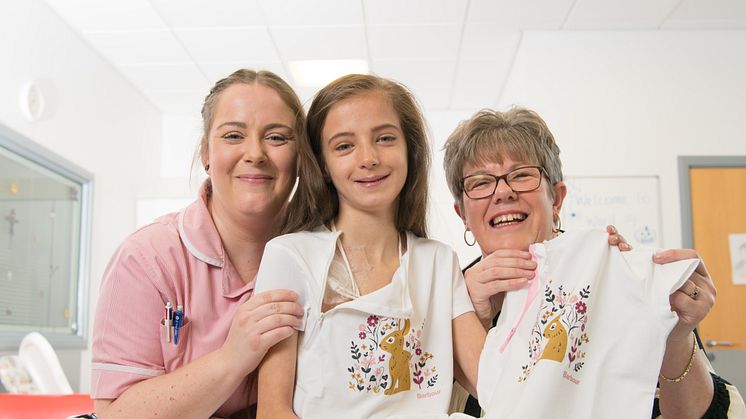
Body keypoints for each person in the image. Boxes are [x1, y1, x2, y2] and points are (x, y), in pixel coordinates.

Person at [443, 107, 745, 418]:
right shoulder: (444, 299)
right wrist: (469, 314)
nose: (503, 192)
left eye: (522, 175)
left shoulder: (613, 276)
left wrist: (678, 335)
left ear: (557, 198)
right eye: (480, 182)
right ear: (462, 214)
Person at [254, 74, 486, 419]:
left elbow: (496, 381)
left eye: (385, 138)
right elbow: (273, 411)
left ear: (411, 150)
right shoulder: (289, 256)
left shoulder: (438, 262)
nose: (369, 158)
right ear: (323, 166)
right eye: (344, 146)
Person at [89, 69, 306, 419]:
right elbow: (114, 414)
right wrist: (231, 359)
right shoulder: (145, 259)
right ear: (206, 152)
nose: (255, 153)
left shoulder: (325, 260)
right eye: (233, 135)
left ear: (302, 159)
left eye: (277, 138)